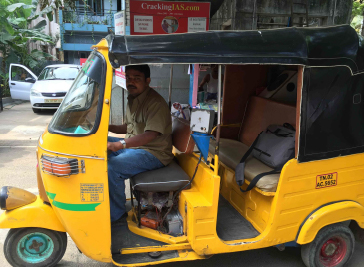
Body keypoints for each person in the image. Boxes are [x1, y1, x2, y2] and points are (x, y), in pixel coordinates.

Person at [107, 64, 174, 224]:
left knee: (113, 167)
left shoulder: (155, 103)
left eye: (137, 79)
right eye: (129, 78)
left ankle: (116, 215)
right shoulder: (133, 98)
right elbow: (129, 127)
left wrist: (121, 144)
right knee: (100, 143)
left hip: (154, 153)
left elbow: (151, 134)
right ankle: (105, 200)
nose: (132, 82)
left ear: (147, 81)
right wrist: (105, 128)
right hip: (137, 147)